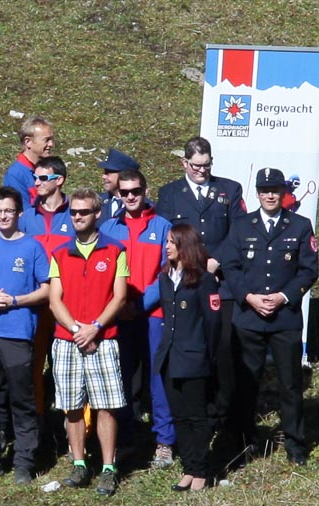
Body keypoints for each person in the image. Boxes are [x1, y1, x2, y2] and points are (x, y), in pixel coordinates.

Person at [223, 168, 319, 466]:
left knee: (290, 384)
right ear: (257, 193)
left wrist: (282, 297)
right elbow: (231, 266)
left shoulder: (300, 226)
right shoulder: (241, 225)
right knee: (246, 382)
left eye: (275, 190)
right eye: (264, 190)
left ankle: (294, 443)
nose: (269, 195)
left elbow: (308, 270)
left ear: (283, 193)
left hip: (284, 318)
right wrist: (250, 297)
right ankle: (246, 440)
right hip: (249, 318)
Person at [155, 136, 246, 430]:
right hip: (186, 285)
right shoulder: (170, 194)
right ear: (184, 163)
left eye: (206, 165)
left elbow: (238, 233)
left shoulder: (229, 190)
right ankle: (197, 412)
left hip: (219, 283)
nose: (202, 171)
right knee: (191, 348)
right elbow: (166, 237)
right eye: (196, 166)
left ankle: (224, 415)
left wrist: (215, 261)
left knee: (222, 350)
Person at [49, 188, 128, 497]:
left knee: (106, 406)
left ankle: (108, 468)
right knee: (71, 406)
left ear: (98, 214)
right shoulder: (59, 253)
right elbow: (55, 300)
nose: (78, 216)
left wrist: (94, 328)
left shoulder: (115, 250)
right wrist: (75, 329)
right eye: (74, 212)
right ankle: (80, 463)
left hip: (103, 337)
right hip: (67, 340)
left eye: (84, 212)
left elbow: (120, 296)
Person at [0, 186, 50, 485]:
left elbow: (46, 289)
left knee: (22, 399)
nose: (3, 216)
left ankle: (24, 460)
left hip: (18, 334)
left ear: (19, 214)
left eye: (8, 211)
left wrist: (15, 301)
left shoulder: (32, 247)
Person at [100, 169, 175, 468]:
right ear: (117, 194)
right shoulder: (108, 228)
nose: (130, 197)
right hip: (119, 317)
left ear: (145, 191)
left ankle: (164, 442)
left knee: (157, 379)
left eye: (136, 191)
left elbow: (166, 272)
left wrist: (141, 303)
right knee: (122, 379)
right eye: (125, 192)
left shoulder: (162, 226)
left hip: (153, 314)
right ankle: (126, 437)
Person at [154, 224, 221, 492]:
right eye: (167, 242)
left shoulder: (204, 280)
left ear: (185, 246)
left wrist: (205, 356)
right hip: (169, 358)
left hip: (194, 359)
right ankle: (189, 469)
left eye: (172, 242)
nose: (167, 246)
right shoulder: (165, 277)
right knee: (179, 417)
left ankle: (201, 471)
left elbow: (213, 324)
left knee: (197, 417)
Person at [18, 156, 75, 422]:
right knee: (33, 366)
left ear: (59, 180)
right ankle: (38, 421)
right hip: (35, 305)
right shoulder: (27, 218)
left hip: (68, 303)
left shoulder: (76, 215)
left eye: (43, 178)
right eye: (35, 178)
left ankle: (73, 425)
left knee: (69, 367)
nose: (36, 183)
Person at [3, 116, 55, 210]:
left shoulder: (47, 169)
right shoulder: (15, 175)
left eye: (51, 140)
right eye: (46, 140)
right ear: (28, 142)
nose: (51, 144)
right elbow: (22, 214)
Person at [97, 148, 141, 225]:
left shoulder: (143, 205)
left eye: (108, 172)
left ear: (124, 174)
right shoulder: (97, 202)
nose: (103, 176)